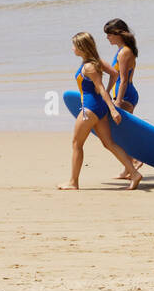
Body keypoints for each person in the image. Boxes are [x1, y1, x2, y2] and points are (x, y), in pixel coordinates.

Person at [61, 32, 141, 191]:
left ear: (81, 47)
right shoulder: (96, 62)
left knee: (77, 144)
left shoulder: (89, 67)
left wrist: (113, 109)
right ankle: (134, 173)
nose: (72, 49)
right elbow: (114, 74)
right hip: (99, 108)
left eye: (74, 45)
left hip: (90, 109)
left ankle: (73, 182)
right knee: (109, 143)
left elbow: (100, 89)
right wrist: (108, 103)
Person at [102, 18, 142, 178]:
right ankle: (129, 165)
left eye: (109, 34)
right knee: (120, 132)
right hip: (122, 93)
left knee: (117, 133)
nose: (107, 38)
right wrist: (106, 93)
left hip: (125, 95)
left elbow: (124, 79)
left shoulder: (125, 51)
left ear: (118, 34)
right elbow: (115, 76)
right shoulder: (121, 50)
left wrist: (117, 102)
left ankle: (134, 161)